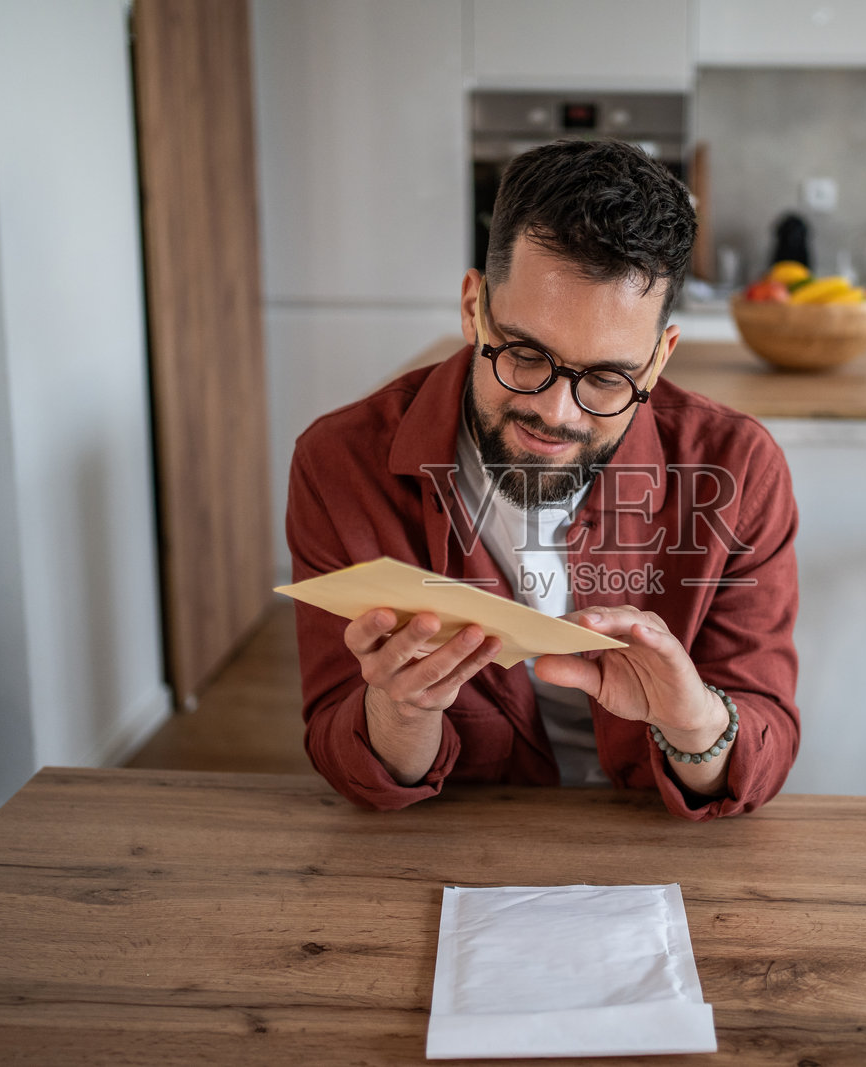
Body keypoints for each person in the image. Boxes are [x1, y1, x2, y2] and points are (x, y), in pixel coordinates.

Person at [287, 138, 799, 820]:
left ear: (657, 362)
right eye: (526, 355)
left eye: (608, 377)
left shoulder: (738, 470)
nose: (556, 415)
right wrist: (401, 711)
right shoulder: (339, 466)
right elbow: (346, 758)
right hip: (454, 849)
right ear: (473, 308)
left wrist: (695, 723)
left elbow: (761, 748)